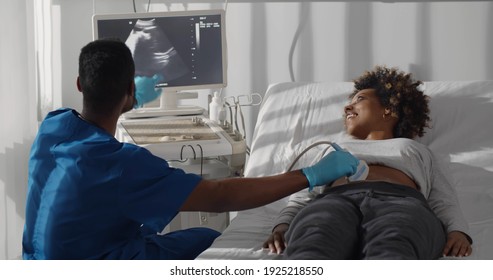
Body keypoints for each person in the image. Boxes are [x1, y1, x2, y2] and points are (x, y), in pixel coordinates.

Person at [22, 39, 359, 260]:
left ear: (80, 84)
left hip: (38, 262)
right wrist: (310, 175)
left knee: (195, 234)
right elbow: (219, 196)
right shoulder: (122, 164)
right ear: (131, 88)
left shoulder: (52, 126)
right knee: (207, 238)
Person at [263, 66, 473, 260]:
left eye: (359, 99)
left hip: (401, 205)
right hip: (334, 201)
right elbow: (304, 194)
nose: (347, 107)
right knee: (314, 242)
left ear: (388, 109)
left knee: (393, 249)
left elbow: (443, 198)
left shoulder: (415, 149)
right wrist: (282, 226)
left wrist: (457, 231)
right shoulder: (334, 148)